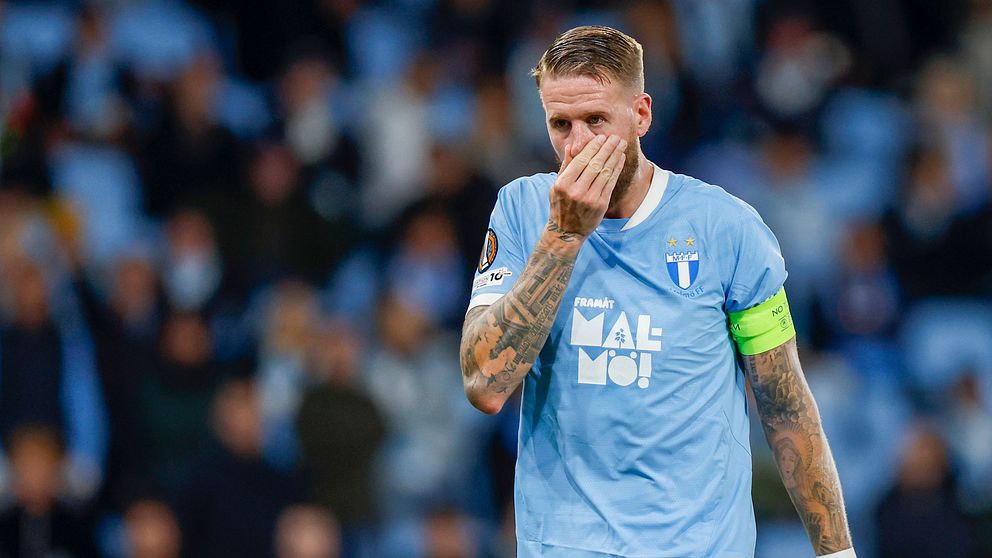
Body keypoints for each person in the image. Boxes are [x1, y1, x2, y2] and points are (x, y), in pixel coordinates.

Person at [459, 26, 856, 558]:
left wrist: (837, 553)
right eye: (560, 124)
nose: (577, 146)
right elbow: (485, 385)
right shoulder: (522, 212)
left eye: (596, 120)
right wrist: (563, 237)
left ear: (641, 114)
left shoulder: (728, 229)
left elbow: (784, 405)